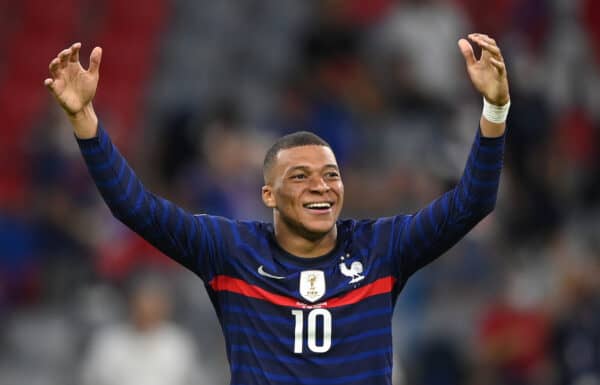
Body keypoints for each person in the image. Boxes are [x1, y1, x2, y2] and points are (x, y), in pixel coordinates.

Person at [45, 33, 510, 385]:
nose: (321, 187)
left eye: (331, 175)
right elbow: (135, 207)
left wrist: (494, 109)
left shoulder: (381, 247)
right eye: (301, 176)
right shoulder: (230, 251)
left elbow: (472, 202)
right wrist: (85, 122)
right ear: (269, 195)